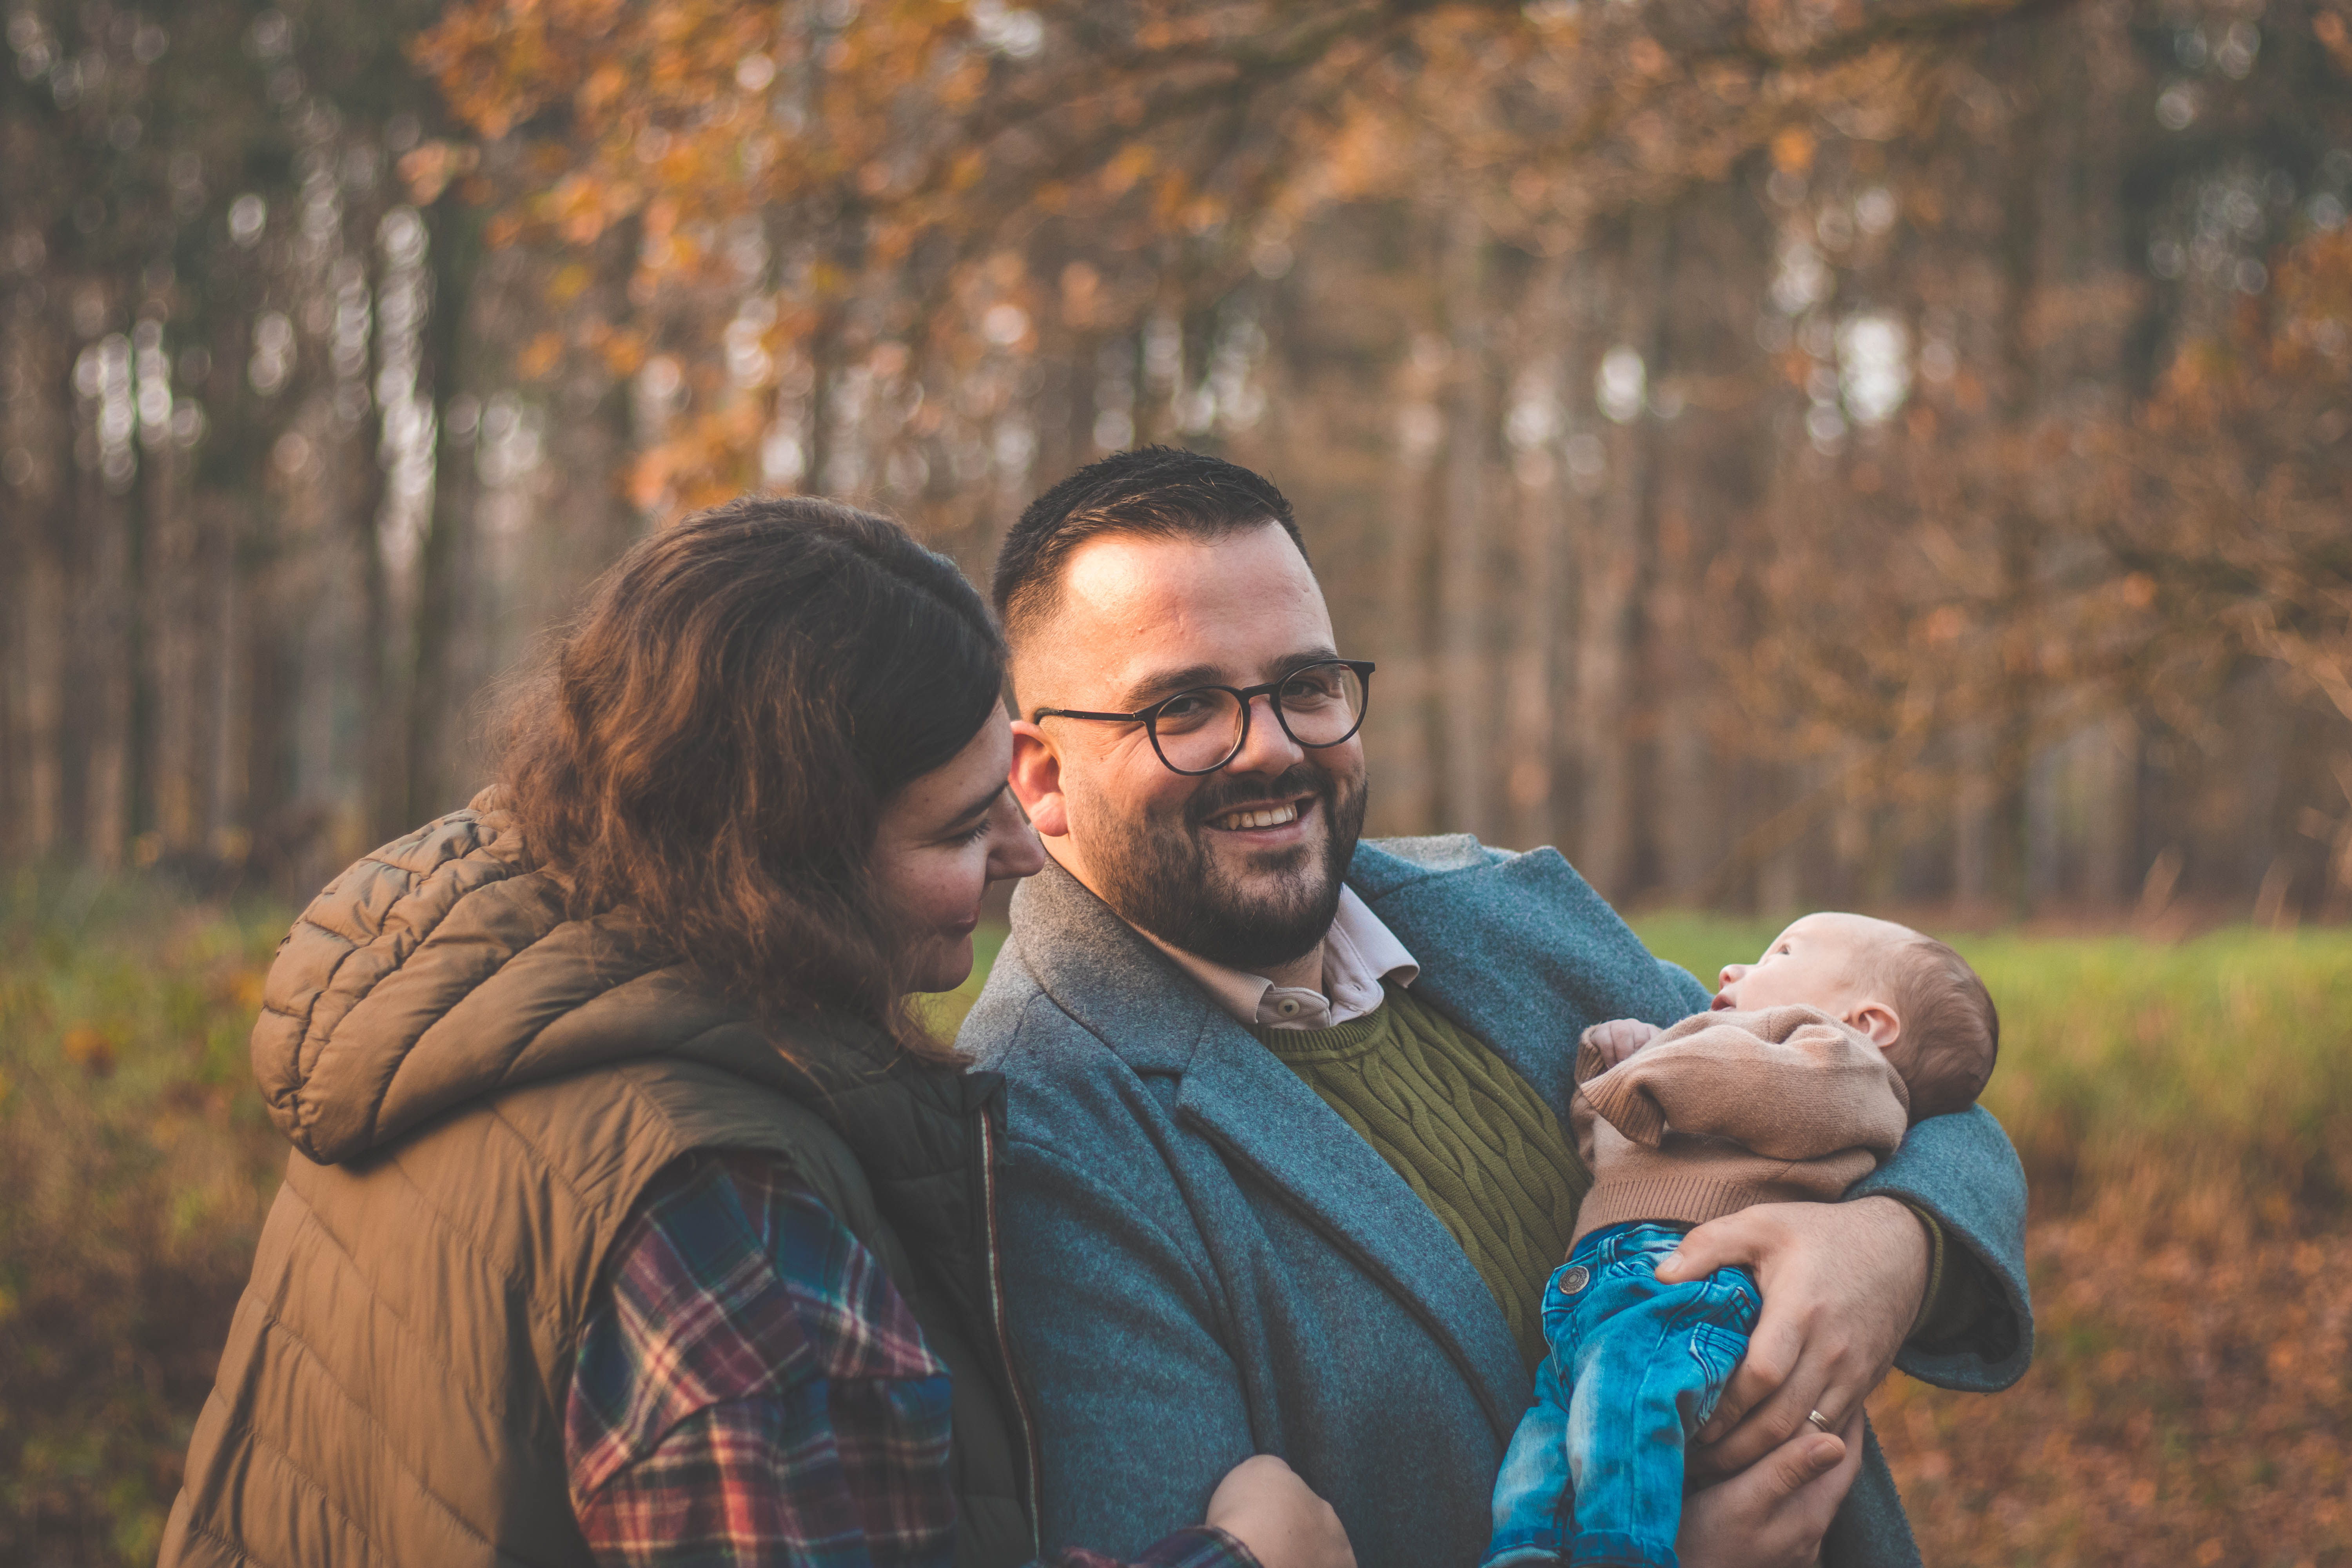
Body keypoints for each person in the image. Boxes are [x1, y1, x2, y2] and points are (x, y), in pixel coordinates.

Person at [160, 498, 1354, 1568]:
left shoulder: (461, 1020)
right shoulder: (720, 1212)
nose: (1022, 853)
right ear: (787, 866)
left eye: (1004, 793)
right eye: (952, 833)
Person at [958, 448, 2033, 1568]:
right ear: (1038, 776)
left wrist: (1892, 1246)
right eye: (1183, 707)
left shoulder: (1514, 910)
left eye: (1307, 687)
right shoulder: (1042, 1135)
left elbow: (1904, 1085)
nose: (1272, 746)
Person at [1485, 914, 2001, 1567]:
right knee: (1552, 1439)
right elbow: (1617, 1136)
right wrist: (1611, 1063)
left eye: (1781, 952)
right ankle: (1526, 1547)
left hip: (1689, 1283)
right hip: (1601, 1288)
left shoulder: (1845, 1066)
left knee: (1627, 1406)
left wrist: (1658, 1066)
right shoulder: (1722, 1056)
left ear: (1869, 1023)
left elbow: (1761, 1085)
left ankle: (1622, 1551)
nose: (1732, 971)